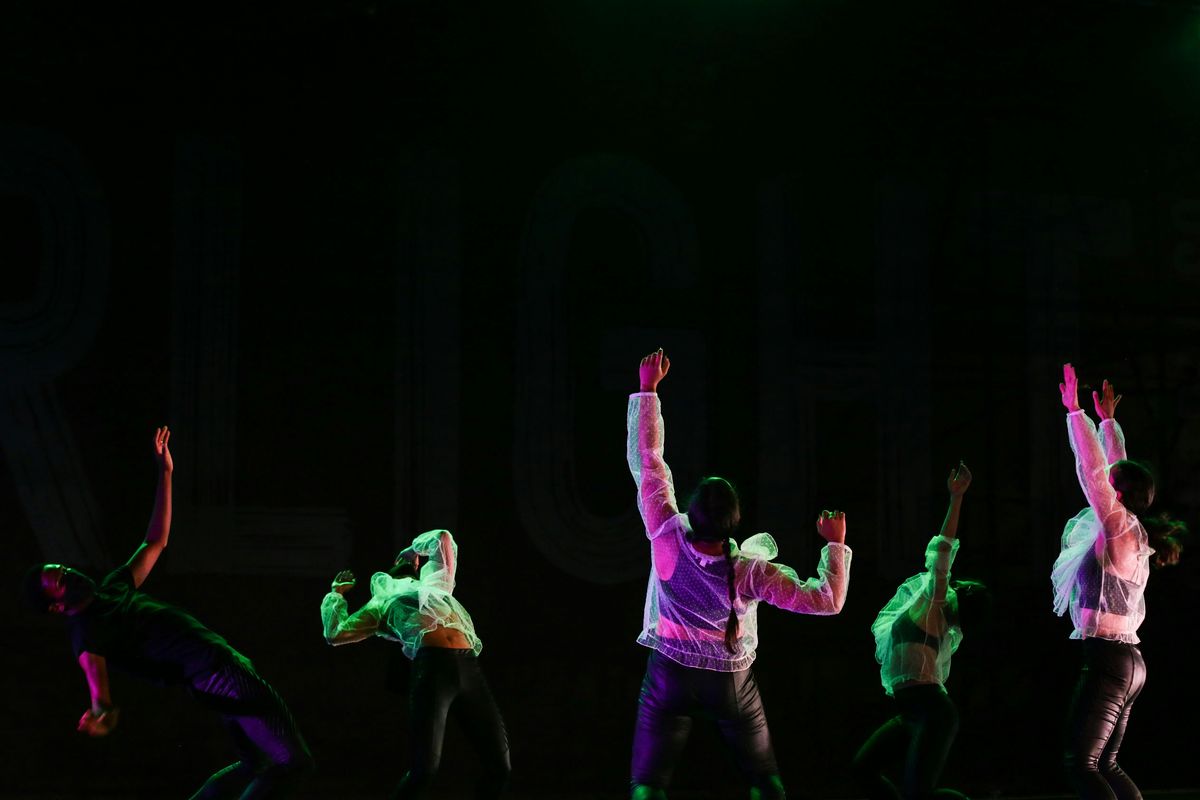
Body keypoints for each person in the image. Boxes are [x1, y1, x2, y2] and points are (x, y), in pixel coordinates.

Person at [22, 427, 313, 800]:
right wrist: (101, 714)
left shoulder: (112, 589)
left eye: (64, 568)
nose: (71, 573)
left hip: (214, 672)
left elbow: (155, 541)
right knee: (294, 762)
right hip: (217, 673)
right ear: (57, 606)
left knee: (255, 764)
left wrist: (165, 472)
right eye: (61, 581)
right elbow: (99, 692)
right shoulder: (86, 631)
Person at [627, 348, 852, 800]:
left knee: (648, 786)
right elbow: (827, 602)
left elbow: (649, 462)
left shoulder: (667, 535)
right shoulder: (750, 572)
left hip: (670, 675)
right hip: (729, 684)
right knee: (765, 782)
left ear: (691, 512)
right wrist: (834, 544)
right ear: (734, 523)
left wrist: (648, 390)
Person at [1052, 364, 1185, 799]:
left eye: (1113, 488)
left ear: (1120, 494)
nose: (1104, 492)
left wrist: (1075, 413)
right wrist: (1108, 422)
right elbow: (1113, 469)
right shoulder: (1127, 527)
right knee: (1105, 764)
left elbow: (1095, 471)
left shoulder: (1118, 528)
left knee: (1081, 763)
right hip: (1126, 660)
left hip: (1110, 659)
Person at [321, 528, 510, 799]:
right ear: (386, 575)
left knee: (500, 767)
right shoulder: (380, 604)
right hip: (433, 671)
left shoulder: (436, 585)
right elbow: (335, 633)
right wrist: (336, 594)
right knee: (424, 770)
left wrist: (412, 550)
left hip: (469, 668)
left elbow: (442, 538)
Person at [853, 462, 986, 800]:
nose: (955, 583)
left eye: (960, 585)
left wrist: (956, 499)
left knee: (918, 794)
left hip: (932, 711)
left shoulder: (934, 606)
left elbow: (944, 549)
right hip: (910, 710)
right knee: (863, 770)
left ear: (960, 598)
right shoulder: (931, 609)